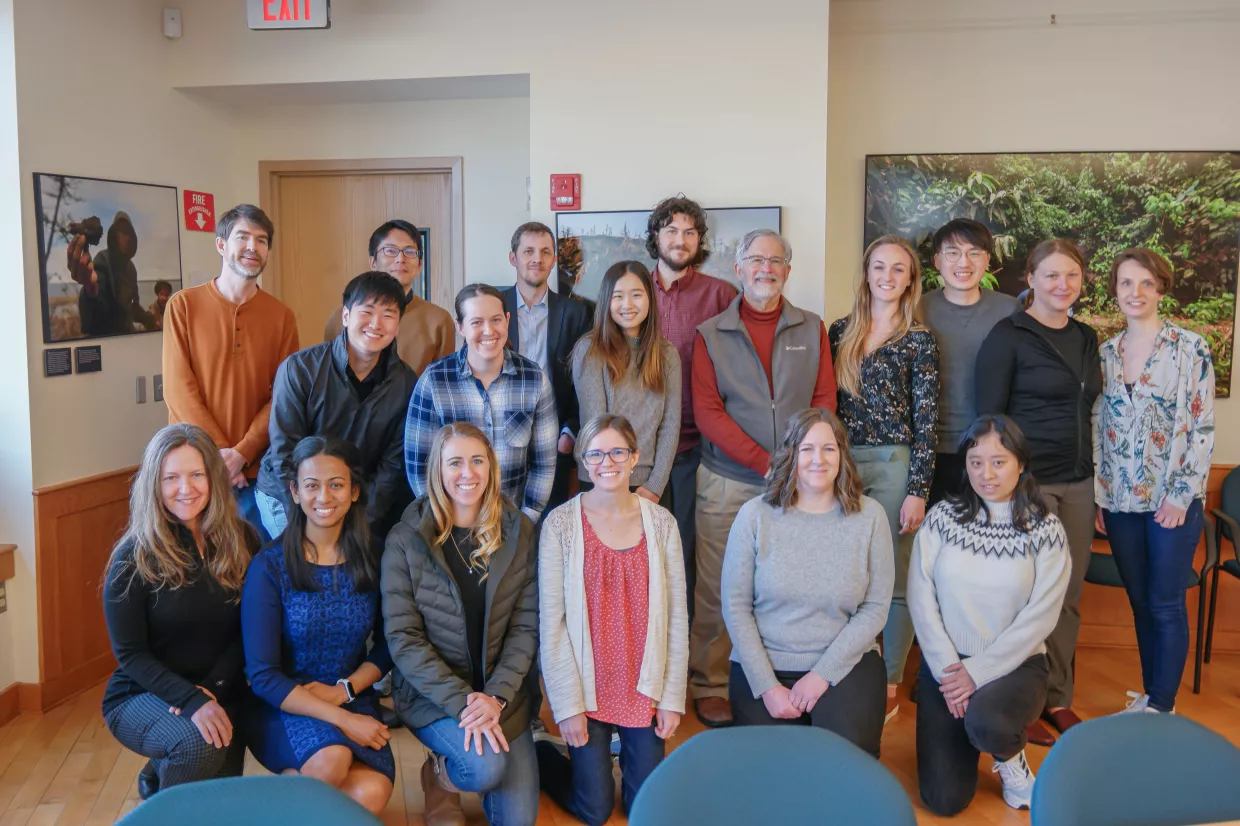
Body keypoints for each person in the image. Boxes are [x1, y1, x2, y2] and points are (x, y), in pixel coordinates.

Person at [690, 229, 838, 728]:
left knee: (789, 584)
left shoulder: (811, 328)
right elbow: (709, 414)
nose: (765, 269)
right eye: (756, 259)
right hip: (728, 480)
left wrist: (800, 465)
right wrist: (770, 464)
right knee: (716, 586)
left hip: (801, 484)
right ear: (738, 268)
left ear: (788, 271)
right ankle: (710, 683)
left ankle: (782, 677)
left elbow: (824, 403)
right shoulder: (711, 333)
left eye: (776, 261)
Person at [909, 415, 1070, 814]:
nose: (986, 473)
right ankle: (969, 734)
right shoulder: (942, 518)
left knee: (988, 722)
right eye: (976, 461)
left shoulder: (1045, 528)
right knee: (944, 800)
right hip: (946, 670)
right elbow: (920, 596)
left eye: (999, 461)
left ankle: (1011, 760)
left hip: (1015, 667)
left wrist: (977, 673)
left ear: (1021, 463)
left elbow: (1042, 616)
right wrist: (951, 671)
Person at [976, 239, 1102, 744]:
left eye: (1071, 276)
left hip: (1079, 482)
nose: (1062, 285)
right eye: (1050, 275)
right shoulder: (1008, 335)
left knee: (1066, 596)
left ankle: (1057, 697)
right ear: (1029, 279)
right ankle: (1015, 702)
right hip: (1028, 484)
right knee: (1023, 598)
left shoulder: (1088, 337)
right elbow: (988, 417)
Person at [383, 422, 540, 826]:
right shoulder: (405, 538)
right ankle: (439, 774)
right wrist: (465, 704)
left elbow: (526, 627)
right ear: (438, 469)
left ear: (491, 467)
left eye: (477, 461)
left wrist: (497, 697)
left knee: (518, 821)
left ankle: (483, 762)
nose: (467, 473)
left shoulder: (520, 529)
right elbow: (404, 640)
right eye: (455, 462)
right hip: (436, 696)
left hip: (503, 696)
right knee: (485, 768)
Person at [537, 414, 688, 824]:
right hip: (587, 688)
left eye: (618, 451)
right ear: (584, 461)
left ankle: (618, 753)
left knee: (644, 807)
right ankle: (540, 752)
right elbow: (551, 627)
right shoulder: (560, 525)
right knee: (595, 809)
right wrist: (566, 706)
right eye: (596, 453)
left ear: (634, 456)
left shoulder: (661, 524)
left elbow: (676, 619)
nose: (608, 462)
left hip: (642, 687)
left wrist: (672, 698)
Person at [722, 408, 892, 758]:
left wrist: (821, 675)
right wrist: (767, 686)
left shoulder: (870, 515)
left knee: (843, 768)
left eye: (829, 449)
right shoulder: (754, 515)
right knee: (776, 780)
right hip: (766, 664)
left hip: (845, 664)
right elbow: (736, 607)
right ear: (791, 455)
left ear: (843, 455)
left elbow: (875, 609)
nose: (819, 459)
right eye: (807, 449)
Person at [102, 424, 257, 800]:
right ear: (154, 484)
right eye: (171, 477)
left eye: (196, 475)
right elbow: (130, 654)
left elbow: (249, 630)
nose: (185, 489)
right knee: (199, 746)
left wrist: (212, 690)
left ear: (213, 478)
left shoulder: (244, 539)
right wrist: (191, 699)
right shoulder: (132, 557)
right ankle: (164, 797)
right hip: (144, 693)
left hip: (219, 689)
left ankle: (162, 771)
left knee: (219, 804)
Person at [242, 437, 395, 814]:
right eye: (311, 485)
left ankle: (283, 805)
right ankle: (297, 795)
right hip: (282, 704)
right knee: (332, 759)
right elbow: (262, 676)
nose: (323, 496)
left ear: (354, 491)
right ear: (294, 492)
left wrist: (345, 691)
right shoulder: (269, 566)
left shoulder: (374, 557)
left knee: (370, 794)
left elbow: (390, 644)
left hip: (351, 693)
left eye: (336, 484)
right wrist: (341, 717)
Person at [1094, 249, 1215, 715]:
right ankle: (1150, 696)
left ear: (1161, 288)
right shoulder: (1105, 352)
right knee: (1141, 602)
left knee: (1165, 603)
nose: (1135, 292)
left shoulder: (1190, 347)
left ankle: (1163, 707)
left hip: (1172, 501)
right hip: (1121, 501)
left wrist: (1181, 496)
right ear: (1116, 290)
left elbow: (1202, 428)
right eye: (1126, 283)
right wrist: (1103, 498)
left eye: (1146, 283)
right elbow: (1098, 426)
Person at [828, 234, 939, 724]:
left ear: (911, 278)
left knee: (893, 575)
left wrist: (918, 489)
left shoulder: (919, 339)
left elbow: (928, 420)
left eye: (898, 269)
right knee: (843, 571)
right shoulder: (839, 331)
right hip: (841, 465)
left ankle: (891, 678)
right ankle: (844, 664)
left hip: (895, 463)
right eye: (879, 267)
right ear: (867, 272)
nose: (887, 277)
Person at [163, 203, 300, 542]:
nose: (252, 247)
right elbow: (180, 390)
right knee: (191, 567)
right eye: (243, 237)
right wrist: (221, 457)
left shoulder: (281, 316)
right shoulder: (183, 305)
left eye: (262, 240)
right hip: (190, 470)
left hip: (254, 473)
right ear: (222, 245)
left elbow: (284, 398)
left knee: (254, 571)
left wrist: (241, 455)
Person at [257, 272, 417, 541]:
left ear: (398, 324)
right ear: (345, 316)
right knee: (306, 570)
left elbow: (392, 465)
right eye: (366, 311)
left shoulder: (405, 382)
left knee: (350, 571)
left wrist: (359, 523)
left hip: (353, 500)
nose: (376, 324)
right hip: (288, 495)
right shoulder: (300, 369)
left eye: (388, 315)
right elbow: (285, 453)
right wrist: (310, 524)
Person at [645, 196, 738, 616]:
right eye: (671, 230)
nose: (680, 240)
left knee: (689, 556)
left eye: (689, 232)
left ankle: (683, 656)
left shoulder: (722, 296)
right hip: (642, 452)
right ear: (656, 237)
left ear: (699, 240)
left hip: (700, 449)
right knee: (643, 555)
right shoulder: (632, 291)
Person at [405, 283, 558, 524]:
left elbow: (544, 464)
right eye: (476, 322)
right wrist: (444, 519)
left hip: (513, 522)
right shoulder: (434, 381)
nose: (489, 331)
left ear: (507, 320)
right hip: (449, 524)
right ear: (460, 327)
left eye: (496, 320)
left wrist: (526, 520)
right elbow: (418, 465)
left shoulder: (534, 380)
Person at [919, 219, 1019, 504]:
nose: (964, 261)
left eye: (974, 252)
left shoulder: (1009, 309)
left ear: (987, 259)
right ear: (937, 260)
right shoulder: (918, 308)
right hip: (931, 449)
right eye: (952, 252)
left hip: (991, 447)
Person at [500, 222, 595, 513]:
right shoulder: (494, 306)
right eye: (528, 251)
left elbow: (584, 380)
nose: (537, 259)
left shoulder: (577, 313)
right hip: (500, 434)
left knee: (548, 523)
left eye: (545, 252)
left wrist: (571, 431)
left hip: (553, 439)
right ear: (513, 258)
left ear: (554, 259)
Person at [571, 261, 681, 500]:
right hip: (600, 479)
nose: (627, 305)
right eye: (618, 296)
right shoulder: (590, 350)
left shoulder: (667, 354)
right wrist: (615, 487)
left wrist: (655, 485)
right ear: (606, 301)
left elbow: (670, 425)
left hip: (651, 485)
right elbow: (596, 428)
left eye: (636, 295)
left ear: (650, 298)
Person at [324, 219, 455, 376]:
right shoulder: (343, 315)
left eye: (410, 252)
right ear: (373, 262)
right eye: (390, 251)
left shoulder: (439, 320)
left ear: (420, 265)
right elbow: (329, 375)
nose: (401, 259)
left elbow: (443, 384)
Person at [68, 210, 157, 336]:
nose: (126, 238)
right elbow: (95, 309)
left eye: (129, 233)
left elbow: (132, 307)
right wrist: (90, 290)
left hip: (127, 336)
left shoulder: (131, 268)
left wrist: (149, 319)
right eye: (122, 232)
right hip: (106, 336)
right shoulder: (102, 260)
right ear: (114, 235)